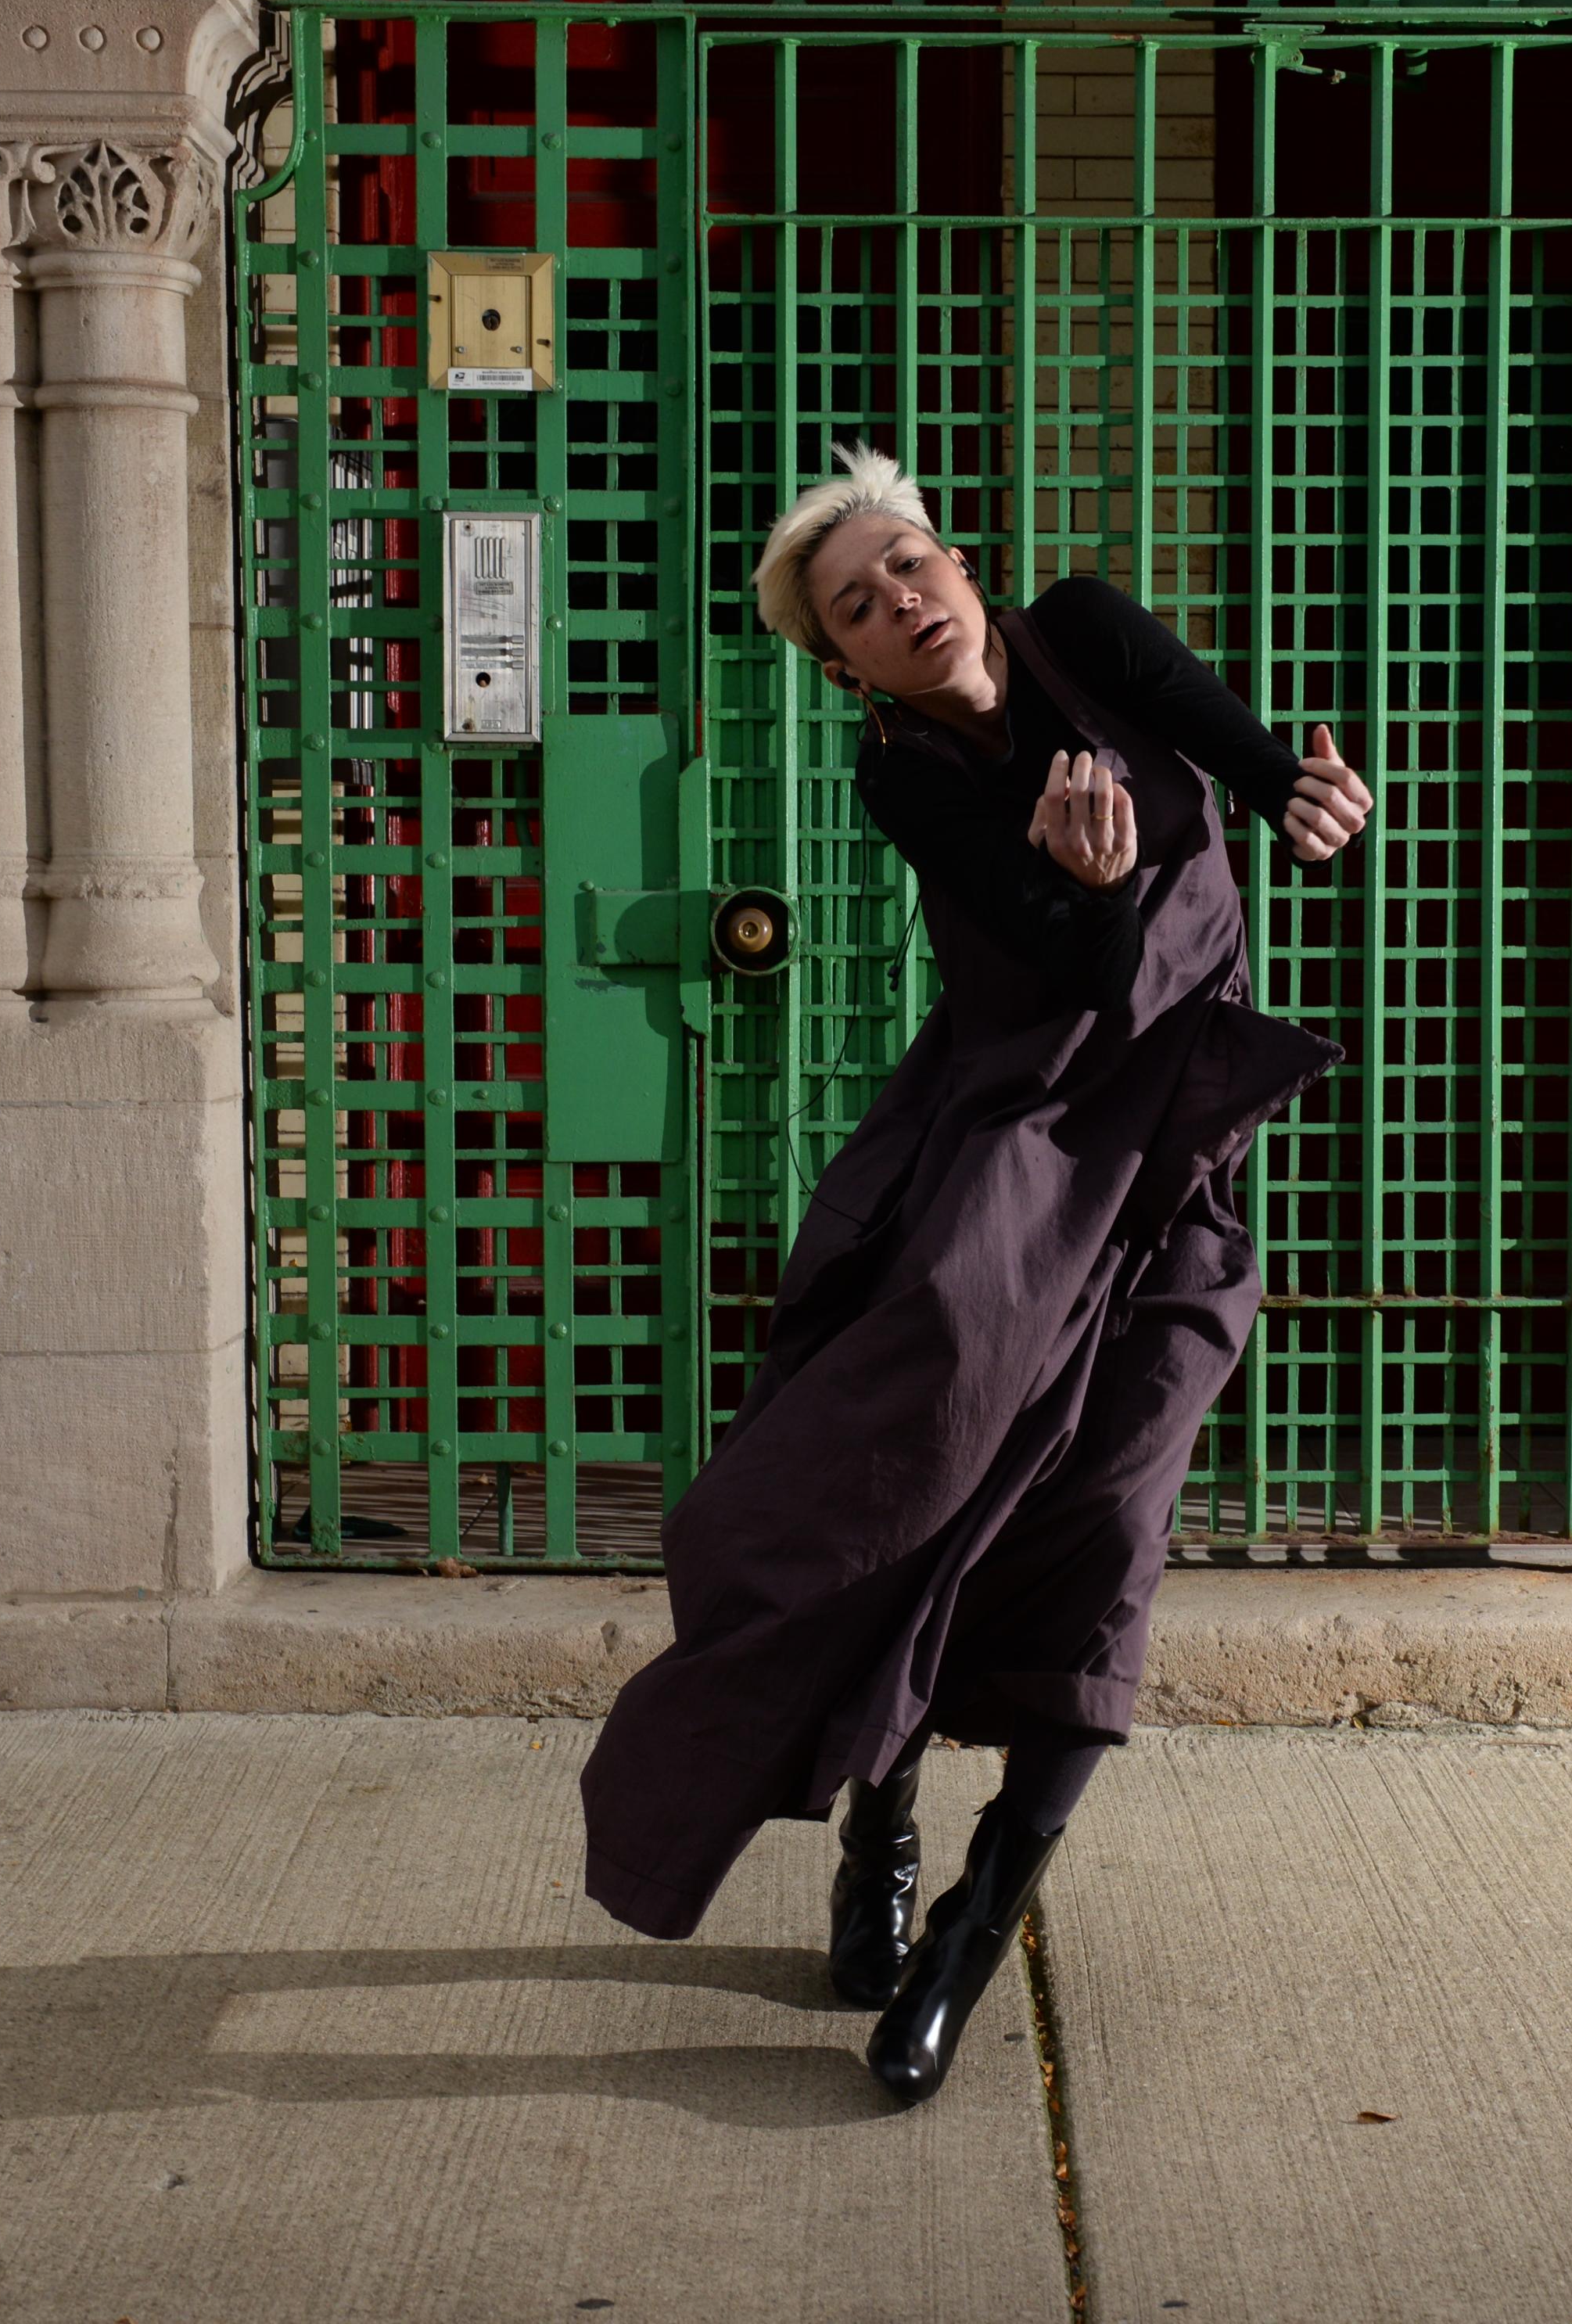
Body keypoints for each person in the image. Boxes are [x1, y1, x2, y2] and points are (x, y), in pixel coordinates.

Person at [576, 446, 1372, 2102]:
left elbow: (1248, 767)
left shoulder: (1090, 630)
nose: (901, 605)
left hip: (1180, 1161)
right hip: (1021, 1139)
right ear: (842, 667)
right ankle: (879, 1816)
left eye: (912, 566)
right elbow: (1061, 971)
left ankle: (970, 1924)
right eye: (858, 609)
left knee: (1110, 1519)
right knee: (930, 1469)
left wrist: (1315, 805)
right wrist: (1088, 891)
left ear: (964, 566)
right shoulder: (909, 780)